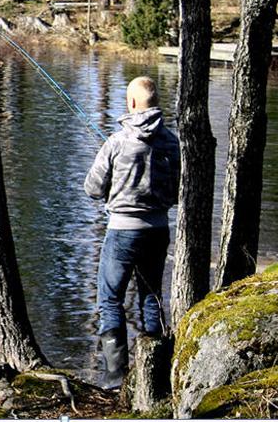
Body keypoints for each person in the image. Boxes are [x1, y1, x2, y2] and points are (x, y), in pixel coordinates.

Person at [84, 76, 180, 389]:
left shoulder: (116, 142)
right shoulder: (171, 142)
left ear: (133, 103)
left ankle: (116, 378)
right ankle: (156, 375)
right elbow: (175, 191)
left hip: (123, 232)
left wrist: (118, 187)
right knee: (151, 297)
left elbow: (92, 188)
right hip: (158, 229)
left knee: (110, 299)